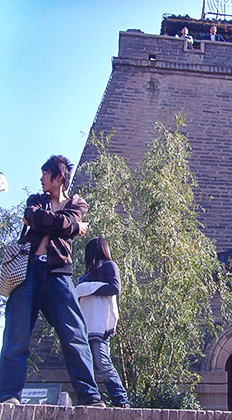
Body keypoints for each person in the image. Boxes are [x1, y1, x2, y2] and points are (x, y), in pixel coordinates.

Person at [0, 155, 104, 407]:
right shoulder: (36, 200)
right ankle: (7, 396)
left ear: (59, 177)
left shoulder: (78, 203)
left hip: (59, 273)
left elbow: (60, 220)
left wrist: (54, 223)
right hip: (28, 272)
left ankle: (89, 397)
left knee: (75, 336)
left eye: (45, 174)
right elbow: (45, 219)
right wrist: (69, 228)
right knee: (16, 337)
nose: (41, 179)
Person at [75, 238, 130, 408]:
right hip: (85, 323)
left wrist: (87, 288)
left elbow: (115, 288)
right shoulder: (87, 275)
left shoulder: (108, 266)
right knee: (85, 364)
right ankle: (90, 398)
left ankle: (121, 400)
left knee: (102, 363)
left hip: (99, 323)